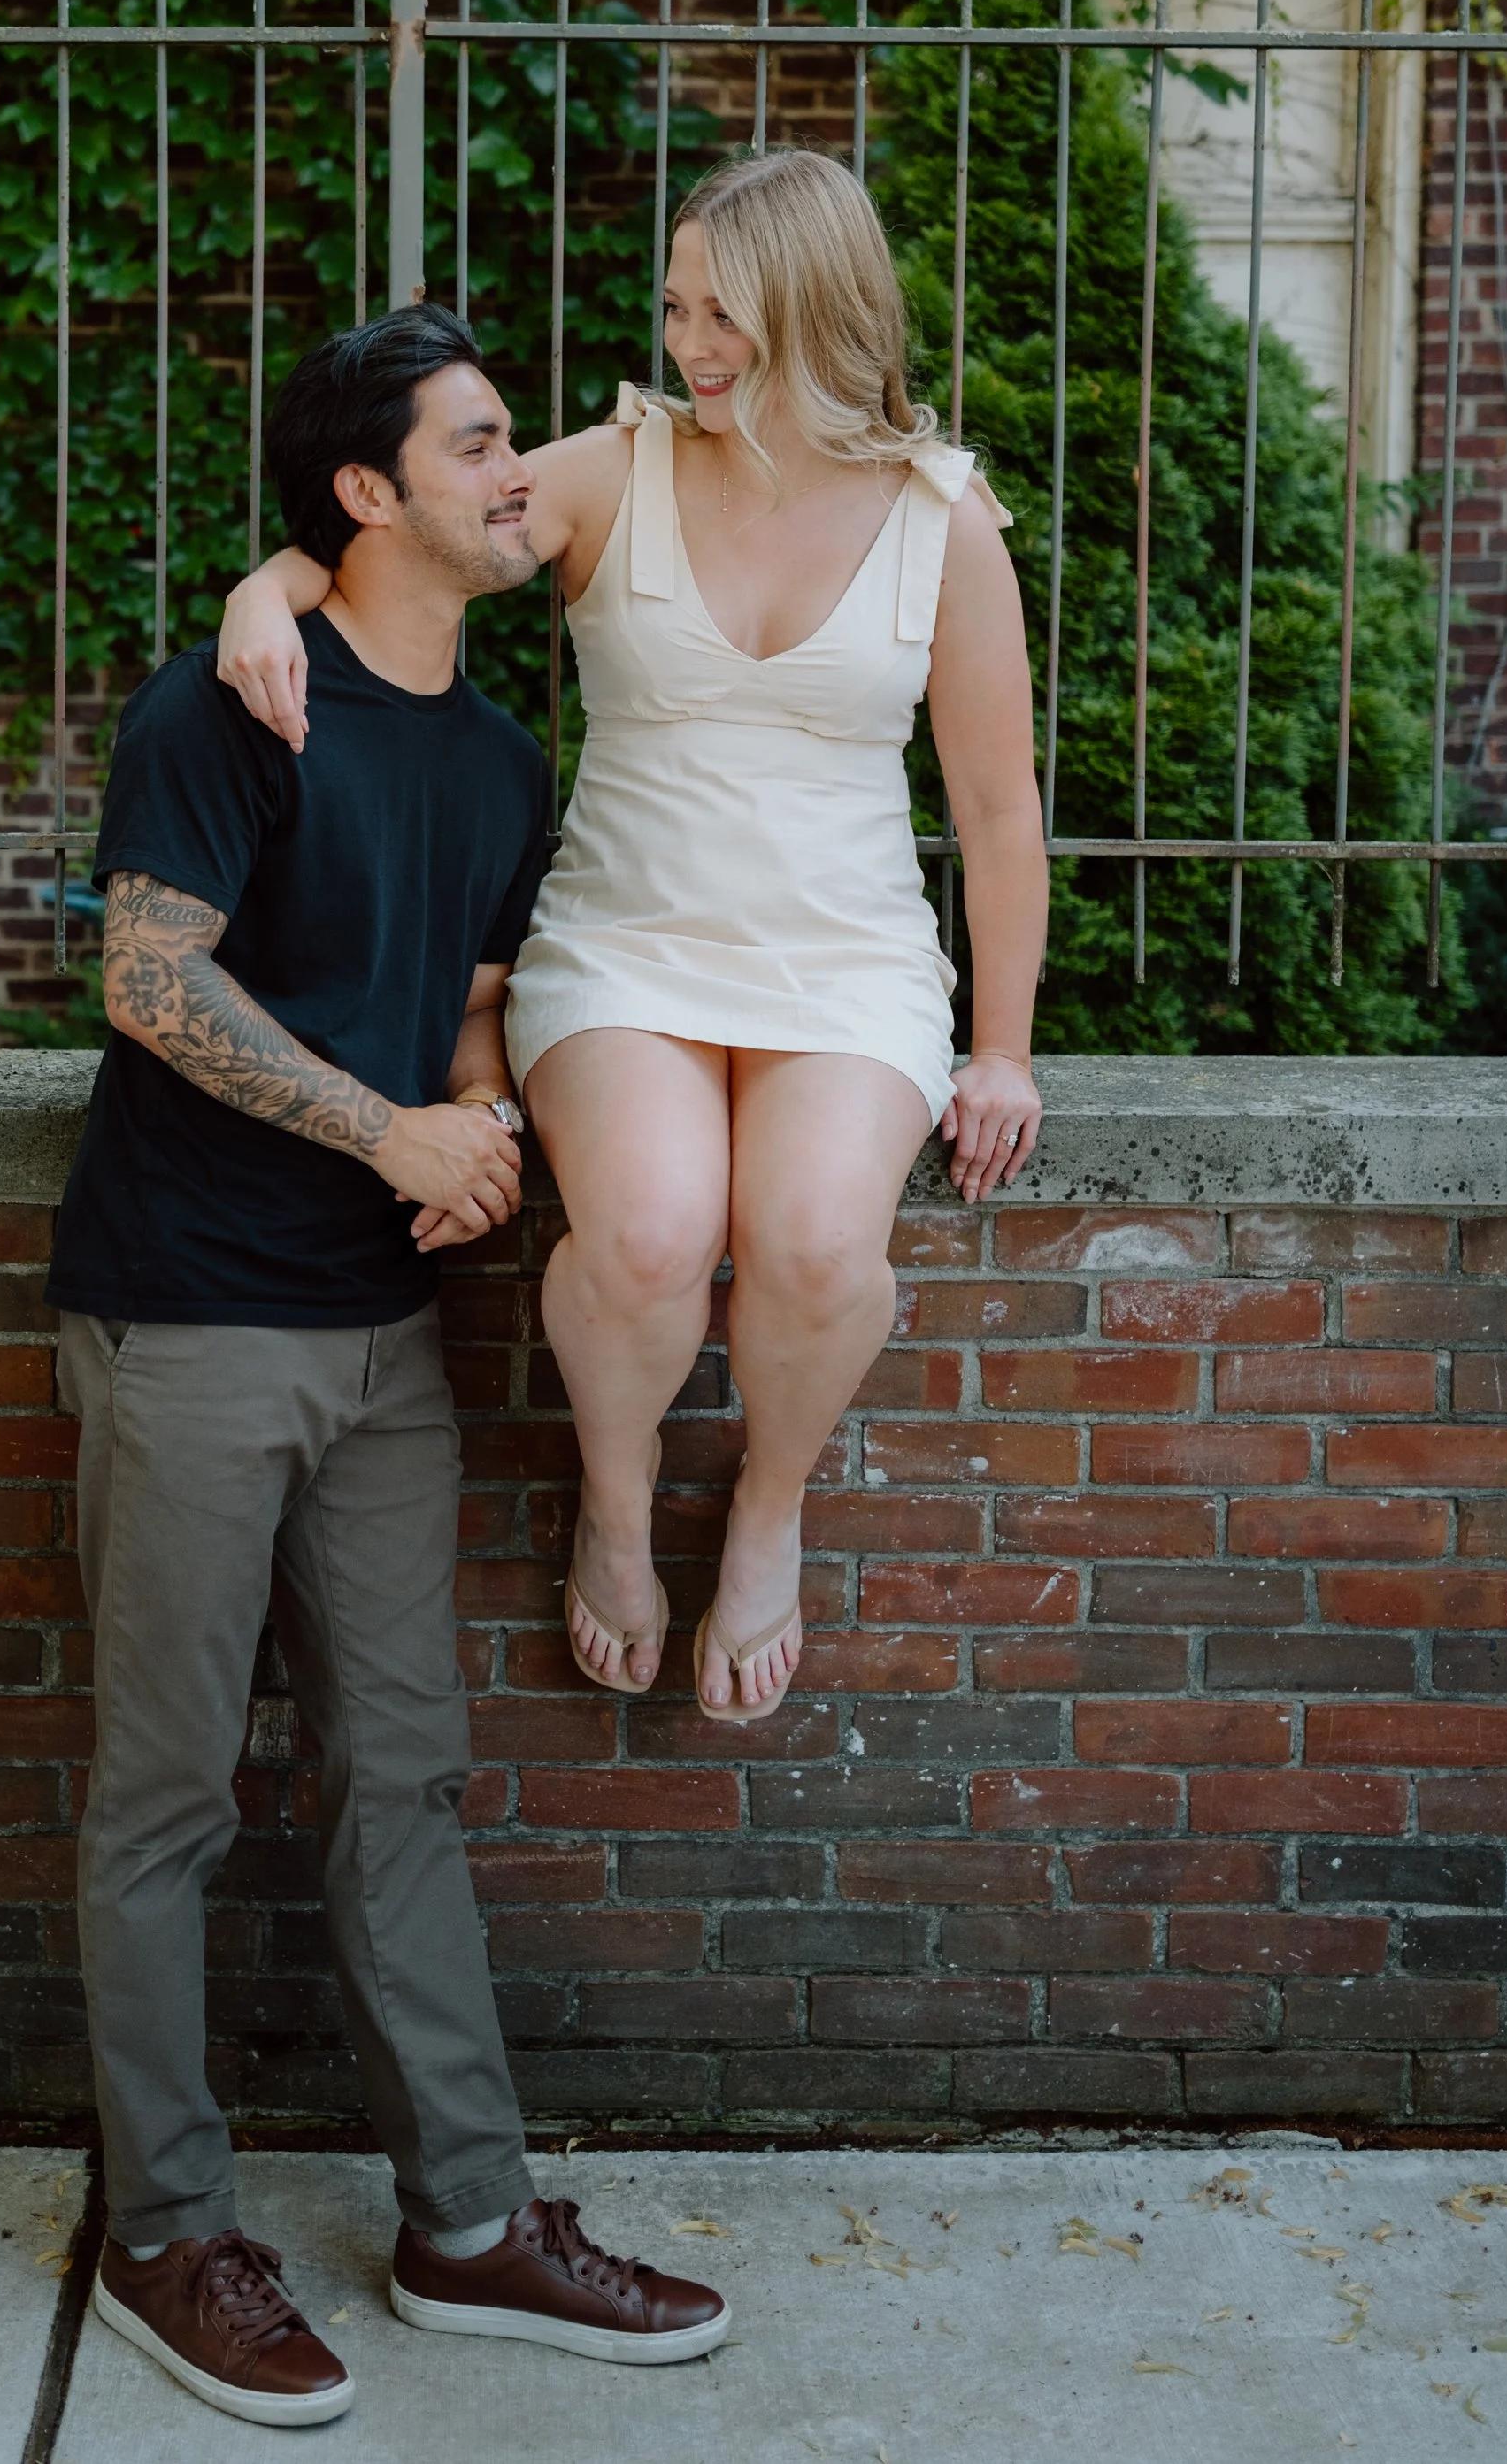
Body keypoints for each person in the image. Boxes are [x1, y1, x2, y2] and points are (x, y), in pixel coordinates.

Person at [47, 303, 730, 2430]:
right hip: (188, 1311)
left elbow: (466, 1000)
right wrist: (385, 1133)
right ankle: (165, 2235)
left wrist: (477, 1125)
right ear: (365, 494)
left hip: (381, 1334)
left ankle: (468, 2221)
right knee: (168, 1795)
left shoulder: (501, 759)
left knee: (402, 1780)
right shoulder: (225, 702)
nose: (518, 475)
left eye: (518, 439)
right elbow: (148, 982)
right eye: (477, 444)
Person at [219, 148, 1048, 1730]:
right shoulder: (613, 469)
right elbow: (413, 522)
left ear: (819, 308)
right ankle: (615, 1496)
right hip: (624, 950)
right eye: (676, 308)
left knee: (818, 1242)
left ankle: (768, 1503)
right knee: (653, 1233)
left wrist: (1000, 1046)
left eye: (725, 314)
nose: (690, 346)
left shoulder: (945, 524)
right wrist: (271, 585)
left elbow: (1000, 815)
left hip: (849, 965)